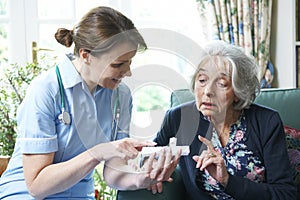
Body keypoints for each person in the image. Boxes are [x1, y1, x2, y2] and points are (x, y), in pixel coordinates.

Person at [0, 6, 179, 199]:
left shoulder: (120, 95)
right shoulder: (46, 90)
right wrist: (98, 152)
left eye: (130, 62)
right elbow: (37, 186)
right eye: (117, 64)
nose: (128, 73)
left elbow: (113, 172)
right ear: (86, 55)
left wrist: (141, 178)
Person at [154, 41, 297, 199]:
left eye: (221, 84)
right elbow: (148, 156)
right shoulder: (179, 118)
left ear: (238, 91)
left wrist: (228, 181)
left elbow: (286, 194)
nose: (208, 91)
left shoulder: (267, 122)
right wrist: (152, 173)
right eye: (202, 81)